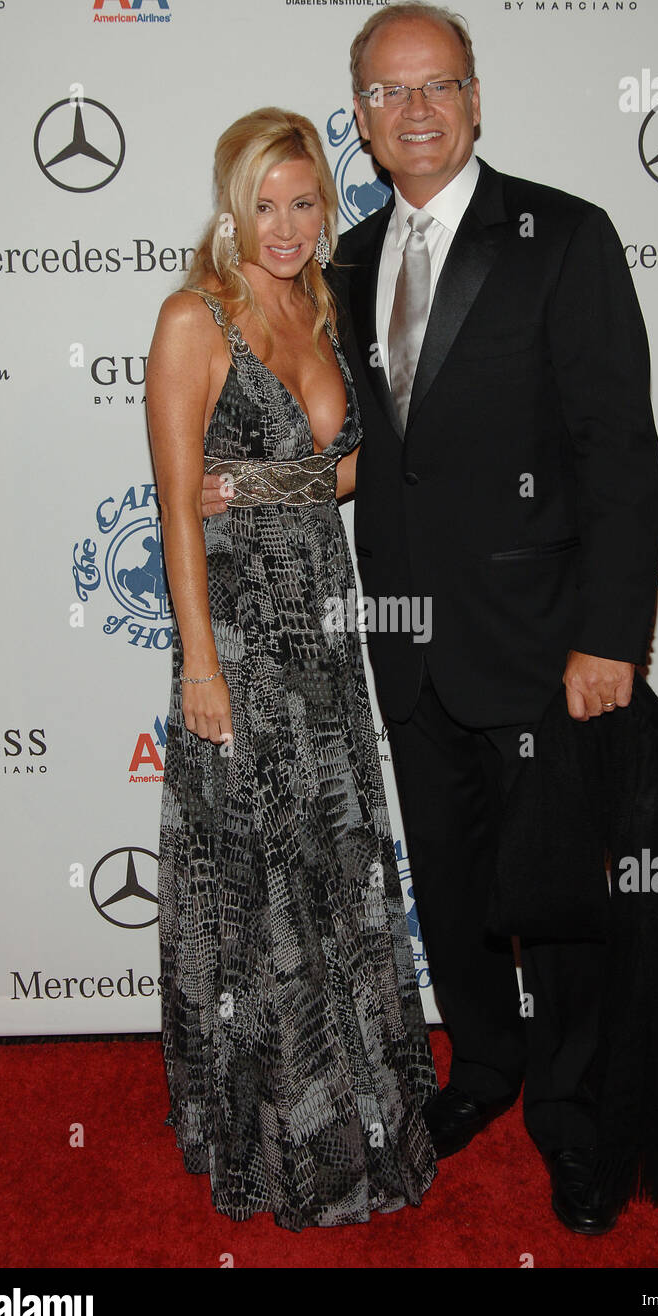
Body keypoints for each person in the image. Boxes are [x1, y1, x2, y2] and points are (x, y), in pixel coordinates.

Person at [203, 5, 658, 1236]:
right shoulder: (344, 260)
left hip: (542, 643)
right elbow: (352, 450)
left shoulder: (562, 235)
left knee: (554, 901)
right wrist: (239, 488)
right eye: (385, 91)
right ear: (358, 115)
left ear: (472, 98)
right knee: (453, 890)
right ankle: (485, 1067)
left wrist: (608, 637)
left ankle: (570, 1118)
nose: (412, 111)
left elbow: (618, 450)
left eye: (436, 85)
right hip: (402, 644)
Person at [146, 106, 437, 1233]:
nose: (284, 224)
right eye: (262, 203)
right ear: (231, 208)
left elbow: (347, 469)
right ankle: (274, 1133)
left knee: (334, 854)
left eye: (303, 201)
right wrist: (200, 669)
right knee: (261, 871)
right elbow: (178, 507)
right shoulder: (195, 317)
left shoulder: (320, 307)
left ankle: (361, 1106)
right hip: (239, 630)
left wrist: (272, 483)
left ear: (326, 204)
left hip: (322, 619)